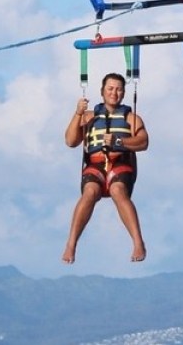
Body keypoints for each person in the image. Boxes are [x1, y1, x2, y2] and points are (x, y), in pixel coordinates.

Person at [62, 72, 149, 264]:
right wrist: (77, 113)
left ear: (124, 93)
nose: (114, 92)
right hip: (95, 165)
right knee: (89, 192)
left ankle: (138, 242)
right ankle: (71, 244)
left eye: (118, 89)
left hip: (120, 165)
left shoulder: (131, 117)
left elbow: (143, 142)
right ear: (102, 91)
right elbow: (70, 140)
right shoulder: (89, 117)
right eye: (110, 88)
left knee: (118, 190)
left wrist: (119, 141)